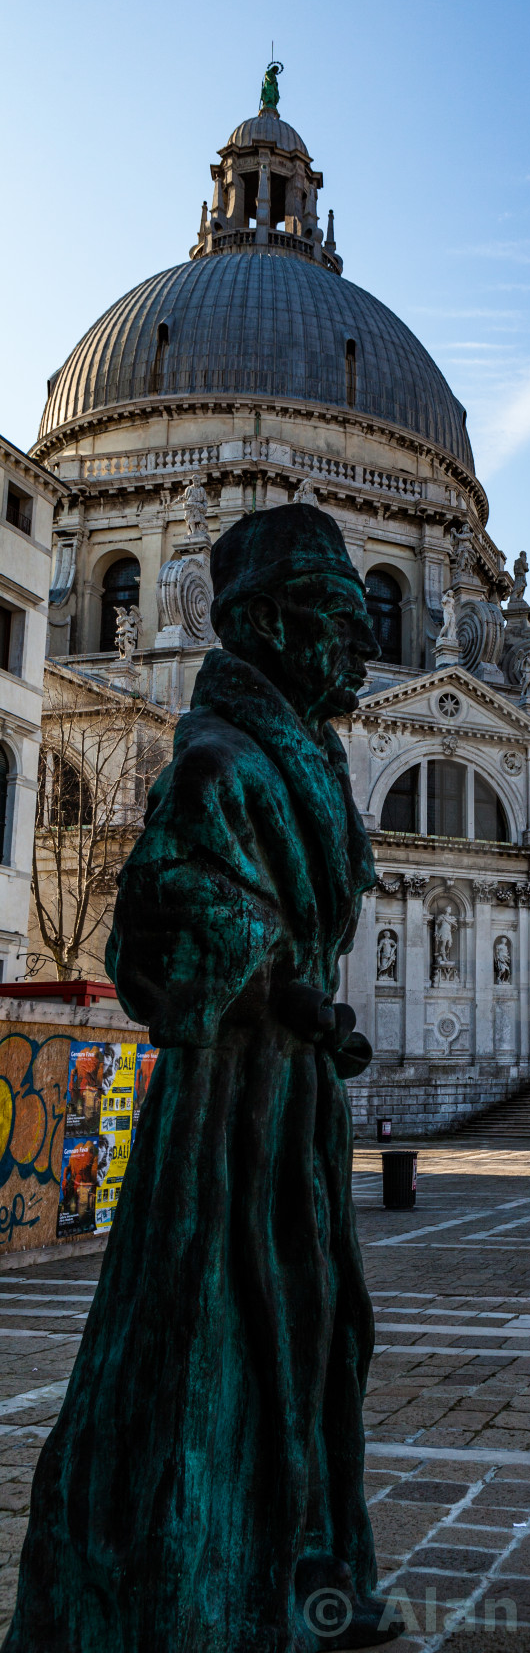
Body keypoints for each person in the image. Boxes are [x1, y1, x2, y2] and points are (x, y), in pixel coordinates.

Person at [3, 504, 401, 1652]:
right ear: (265, 623)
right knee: (212, 1346)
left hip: (293, 1104)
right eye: (340, 620)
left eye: (370, 613)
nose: (362, 651)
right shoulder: (218, 759)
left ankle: (312, 1576)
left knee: (325, 1333)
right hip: (225, 1109)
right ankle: (192, 1597)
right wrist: (278, 984)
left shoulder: (310, 758)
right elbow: (153, 935)